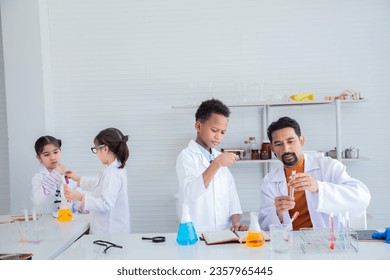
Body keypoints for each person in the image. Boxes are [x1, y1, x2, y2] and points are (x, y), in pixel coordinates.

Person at [259, 116, 370, 231]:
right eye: (278, 144)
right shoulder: (269, 181)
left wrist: (319, 187)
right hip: (290, 241)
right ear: (272, 148)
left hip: (326, 241)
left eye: (290, 141)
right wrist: (278, 214)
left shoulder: (328, 166)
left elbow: (362, 197)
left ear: (301, 141)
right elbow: (264, 226)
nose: (286, 149)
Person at [176, 98, 246, 233]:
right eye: (214, 130)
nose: (218, 137)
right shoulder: (186, 156)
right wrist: (217, 163)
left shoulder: (218, 156)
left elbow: (232, 197)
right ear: (198, 126)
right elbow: (191, 193)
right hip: (197, 233)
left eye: (223, 132)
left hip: (225, 233)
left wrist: (236, 222)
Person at [64, 127, 130, 234]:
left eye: (96, 149)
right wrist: (77, 179)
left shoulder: (112, 174)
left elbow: (105, 204)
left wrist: (80, 197)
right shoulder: (113, 169)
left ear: (105, 149)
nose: (97, 154)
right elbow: (98, 185)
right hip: (109, 230)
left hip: (110, 231)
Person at [31, 136, 82, 214]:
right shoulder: (39, 177)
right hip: (47, 221)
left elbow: (76, 200)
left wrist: (83, 207)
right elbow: (37, 199)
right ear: (39, 157)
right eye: (46, 154)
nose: (53, 157)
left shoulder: (68, 174)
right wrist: (55, 174)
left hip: (67, 220)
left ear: (60, 151)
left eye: (55, 152)